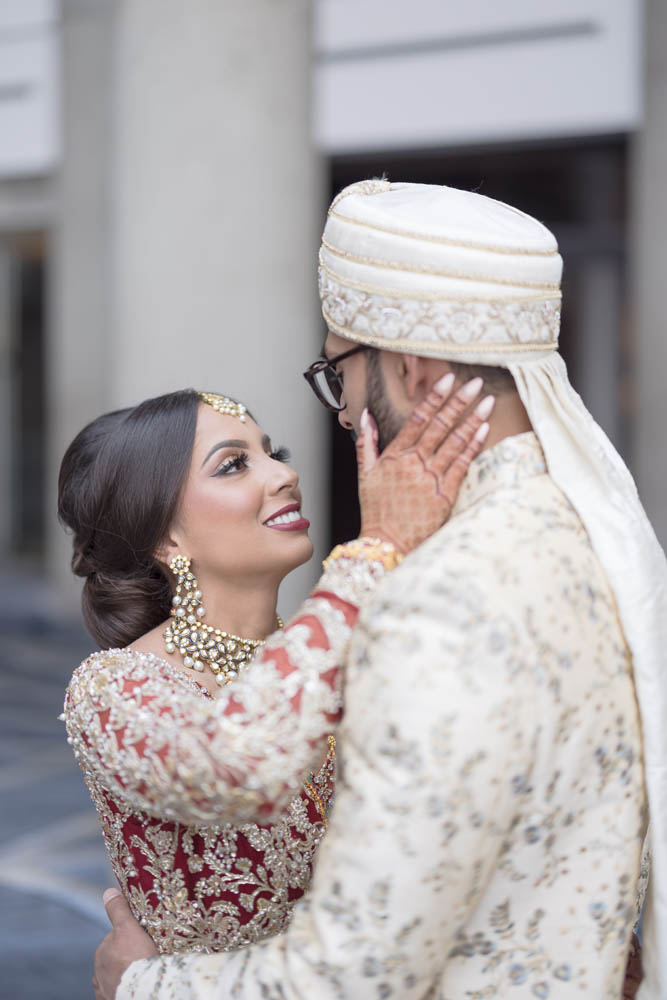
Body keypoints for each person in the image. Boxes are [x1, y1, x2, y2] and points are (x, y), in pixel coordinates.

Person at [93, 181, 666, 999]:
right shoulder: (586, 537)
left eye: (337, 372)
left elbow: (355, 975)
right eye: (233, 463)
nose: (327, 426)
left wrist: (140, 985)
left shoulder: (434, 601)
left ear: (409, 365)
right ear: (162, 535)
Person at [60, 383, 489, 956]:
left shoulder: (346, 652)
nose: (284, 475)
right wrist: (375, 552)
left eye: (274, 454)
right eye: (234, 465)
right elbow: (222, 770)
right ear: (166, 535)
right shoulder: (115, 686)